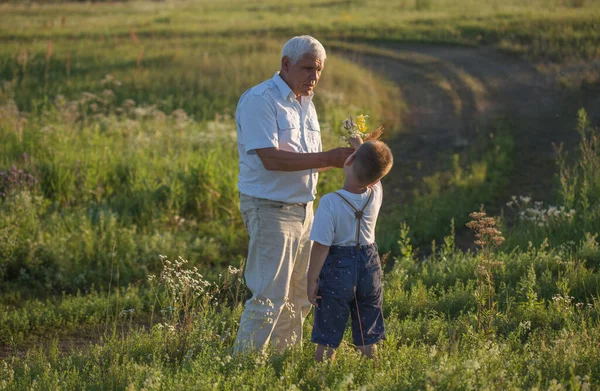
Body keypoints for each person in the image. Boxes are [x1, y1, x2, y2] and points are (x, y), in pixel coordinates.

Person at [234, 35, 354, 354]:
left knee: (299, 296)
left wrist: (347, 159)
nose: (313, 77)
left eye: (318, 70)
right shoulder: (260, 99)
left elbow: (307, 162)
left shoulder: (306, 103)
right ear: (285, 64)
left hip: (304, 211)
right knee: (269, 298)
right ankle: (242, 372)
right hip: (270, 209)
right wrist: (329, 157)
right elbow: (271, 159)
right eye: (307, 69)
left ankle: (279, 363)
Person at [307, 135, 393, 361]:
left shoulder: (330, 202)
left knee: (328, 332)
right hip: (369, 265)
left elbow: (321, 246)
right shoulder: (375, 194)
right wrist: (360, 147)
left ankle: (321, 379)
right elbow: (378, 175)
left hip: (337, 270)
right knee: (368, 334)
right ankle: (371, 373)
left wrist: (311, 279)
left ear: (350, 162)